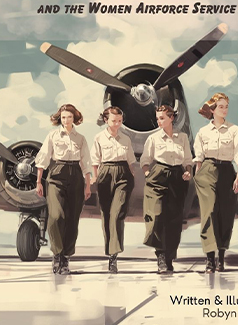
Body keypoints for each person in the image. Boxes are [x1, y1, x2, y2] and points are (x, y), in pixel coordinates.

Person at [193, 93, 238, 273]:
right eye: (221, 106)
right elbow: (199, 156)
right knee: (209, 211)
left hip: (227, 171)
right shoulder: (203, 132)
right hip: (207, 170)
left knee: (225, 212)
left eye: (226, 106)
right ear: (213, 109)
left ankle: (221, 256)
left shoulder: (234, 130)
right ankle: (210, 258)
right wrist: (198, 175)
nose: (225, 110)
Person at [34, 104, 92, 275]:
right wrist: (38, 181)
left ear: (75, 119)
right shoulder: (52, 135)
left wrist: (88, 185)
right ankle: (57, 254)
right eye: (64, 117)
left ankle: (66, 258)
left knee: (72, 219)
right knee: (56, 216)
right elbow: (43, 158)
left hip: (75, 176)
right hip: (56, 175)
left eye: (69, 117)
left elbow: (86, 162)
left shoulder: (80, 138)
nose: (66, 120)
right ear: (60, 118)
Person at [140, 105, 193, 274]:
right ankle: (160, 255)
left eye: (162, 118)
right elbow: (145, 160)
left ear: (171, 118)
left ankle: (169, 258)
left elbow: (187, 159)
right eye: (157, 118)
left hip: (177, 177)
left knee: (174, 220)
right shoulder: (153, 138)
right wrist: (148, 173)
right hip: (158, 175)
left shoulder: (182, 137)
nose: (159, 121)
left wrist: (188, 172)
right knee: (156, 216)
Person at [91, 106, 136, 274]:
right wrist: (95, 177)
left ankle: (114, 255)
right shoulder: (99, 138)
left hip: (123, 174)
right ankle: (110, 251)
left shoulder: (126, 139)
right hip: (105, 173)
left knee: (117, 214)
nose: (117, 124)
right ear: (106, 120)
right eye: (113, 121)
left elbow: (131, 160)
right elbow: (95, 160)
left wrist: (132, 175)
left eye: (119, 121)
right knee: (107, 215)